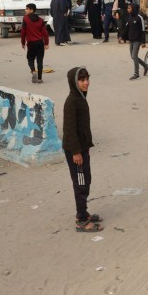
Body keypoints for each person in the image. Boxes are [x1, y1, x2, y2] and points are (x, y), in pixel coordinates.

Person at [62, 67, 102, 232]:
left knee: (86, 180)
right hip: (75, 151)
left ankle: (84, 212)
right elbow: (69, 129)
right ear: (74, 82)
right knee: (80, 183)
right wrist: (76, 152)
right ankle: (81, 220)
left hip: (82, 148)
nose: (86, 83)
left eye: (87, 79)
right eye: (82, 80)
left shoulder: (80, 97)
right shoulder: (72, 101)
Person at [20, 3, 49, 83]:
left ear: (31, 10)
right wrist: (46, 43)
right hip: (40, 42)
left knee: (30, 59)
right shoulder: (40, 20)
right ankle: (39, 78)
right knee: (40, 60)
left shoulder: (25, 18)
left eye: (27, 9)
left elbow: (23, 32)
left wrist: (23, 42)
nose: (25, 10)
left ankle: (33, 71)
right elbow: (45, 33)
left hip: (31, 43)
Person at [125, 2, 148, 80]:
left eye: (129, 8)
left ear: (134, 9)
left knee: (134, 56)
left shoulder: (139, 18)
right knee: (133, 57)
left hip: (137, 40)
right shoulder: (129, 17)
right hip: (131, 39)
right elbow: (127, 29)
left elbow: (142, 30)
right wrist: (123, 38)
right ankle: (145, 66)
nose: (128, 9)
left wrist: (143, 42)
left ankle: (136, 74)